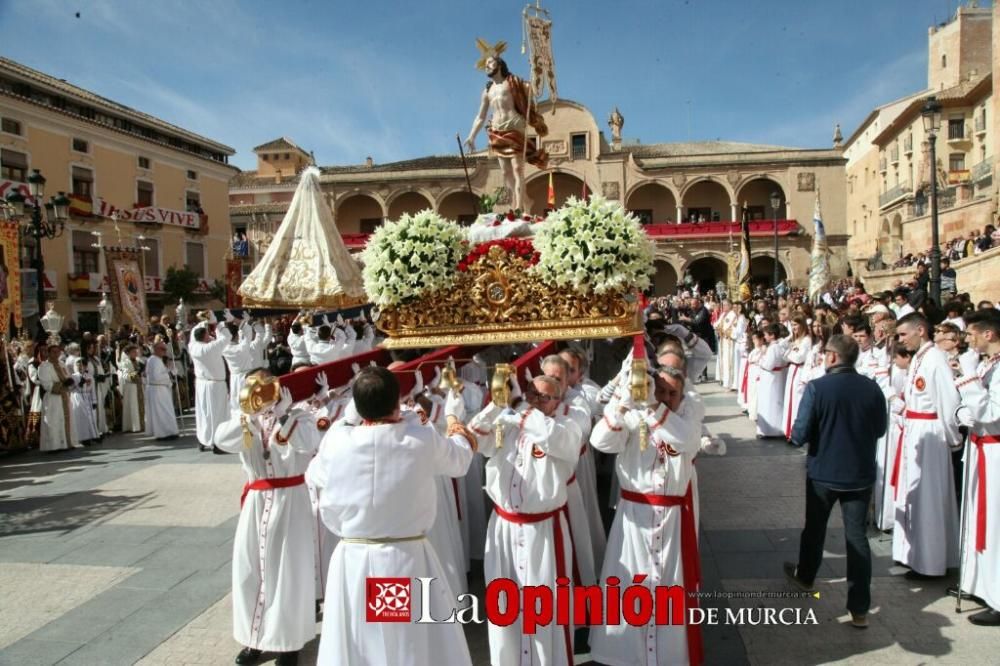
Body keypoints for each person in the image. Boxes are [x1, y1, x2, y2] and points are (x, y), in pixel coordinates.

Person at [307, 366, 475, 666]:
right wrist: (453, 417)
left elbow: (315, 473)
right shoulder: (421, 439)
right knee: (400, 645)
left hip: (352, 560)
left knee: (359, 644)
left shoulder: (336, 441)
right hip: (401, 559)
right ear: (397, 401)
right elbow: (460, 460)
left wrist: (352, 416)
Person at [589, 363, 705, 665]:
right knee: (630, 587)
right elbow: (600, 441)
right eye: (660, 391)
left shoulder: (687, 418)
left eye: (671, 393)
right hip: (634, 519)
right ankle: (627, 655)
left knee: (669, 592)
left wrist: (654, 406)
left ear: (682, 396)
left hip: (672, 520)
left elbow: (687, 442)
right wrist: (622, 404)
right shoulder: (635, 415)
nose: (665, 397)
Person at [467, 374, 580, 666]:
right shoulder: (509, 422)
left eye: (545, 396)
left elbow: (554, 440)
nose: (536, 400)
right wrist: (496, 405)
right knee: (504, 606)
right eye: (532, 393)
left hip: (541, 531)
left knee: (543, 608)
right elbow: (475, 438)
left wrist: (519, 405)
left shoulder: (567, 427)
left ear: (558, 401)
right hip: (503, 528)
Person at [214, 371, 321, 666]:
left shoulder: (301, 415)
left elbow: (308, 443)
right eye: (253, 388)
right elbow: (220, 439)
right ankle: (254, 640)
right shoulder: (247, 420)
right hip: (258, 502)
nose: (259, 394)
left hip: (291, 502)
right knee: (251, 571)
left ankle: (288, 643)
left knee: (288, 573)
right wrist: (246, 413)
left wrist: (285, 414)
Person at [785, 334, 888, 628]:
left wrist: (798, 437)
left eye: (824, 354)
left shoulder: (818, 388)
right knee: (857, 539)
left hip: (824, 471)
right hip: (860, 472)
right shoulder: (871, 387)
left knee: (815, 528)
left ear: (832, 357)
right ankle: (859, 609)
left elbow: (800, 432)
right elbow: (880, 429)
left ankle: (806, 576)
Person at [892, 312, 961, 578]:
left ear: (920, 330)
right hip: (915, 431)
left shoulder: (935, 360)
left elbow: (947, 401)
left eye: (903, 334)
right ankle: (916, 554)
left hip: (931, 434)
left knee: (928, 498)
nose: (900, 340)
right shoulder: (921, 358)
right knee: (914, 495)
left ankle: (931, 561)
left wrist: (953, 440)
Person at [952, 309, 1000, 626]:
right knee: (976, 519)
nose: (967, 339)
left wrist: (967, 377)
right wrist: (963, 414)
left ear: (989, 334)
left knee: (994, 523)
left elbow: (991, 410)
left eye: (972, 333)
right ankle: (978, 582)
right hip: (980, 447)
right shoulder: (987, 364)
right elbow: (975, 408)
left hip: (995, 452)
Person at [464, 51, 548, 212]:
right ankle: (523, 201)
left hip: (514, 127)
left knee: (517, 169)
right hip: (497, 131)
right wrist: (472, 136)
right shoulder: (487, 91)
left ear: (499, 65)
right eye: (486, 64)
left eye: (490, 63)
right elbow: (480, 116)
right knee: (505, 172)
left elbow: (535, 89)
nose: (486, 66)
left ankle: (518, 208)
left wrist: (536, 72)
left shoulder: (513, 82)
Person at [189, 317, 232, 452]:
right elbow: (227, 337)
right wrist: (217, 322)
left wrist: (203, 321)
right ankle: (218, 443)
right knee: (218, 414)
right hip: (215, 385)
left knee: (203, 414)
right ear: (205, 336)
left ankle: (203, 439)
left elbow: (194, 333)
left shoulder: (192, 346)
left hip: (201, 384)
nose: (210, 335)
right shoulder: (211, 347)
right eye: (208, 334)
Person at [38, 344, 76, 452]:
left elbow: (67, 376)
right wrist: (62, 385)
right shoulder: (43, 366)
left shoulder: (62, 364)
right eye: (53, 352)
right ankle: (54, 445)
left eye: (58, 352)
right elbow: (46, 384)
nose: (56, 354)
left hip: (64, 396)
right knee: (53, 421)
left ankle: (66, 443)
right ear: (48, 353)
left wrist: (70, 381)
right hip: (53, 398)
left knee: (64, 419)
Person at [756, 323, 788, 438]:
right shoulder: (779, 346)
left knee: (769, 402)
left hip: (771, 377)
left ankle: (769, 430)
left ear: (772, 335)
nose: (764, 337)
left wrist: (761, 360)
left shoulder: (773, 348)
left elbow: (768, 365)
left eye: (766, 335)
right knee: (775, 401)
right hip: (776, 376)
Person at [144, 341, 179, 440]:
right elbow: (156, 377)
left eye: (165, 349)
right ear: (155, 350)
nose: (165, 351)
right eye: (162, 349)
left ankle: (170, 431)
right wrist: (169, 374)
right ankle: (163, 433)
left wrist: (169, 370)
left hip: (162, 388)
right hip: (157, 389)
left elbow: (161, 373)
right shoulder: (153, 360)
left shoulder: (157, 359)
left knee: (166, 410)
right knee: (161, 412)